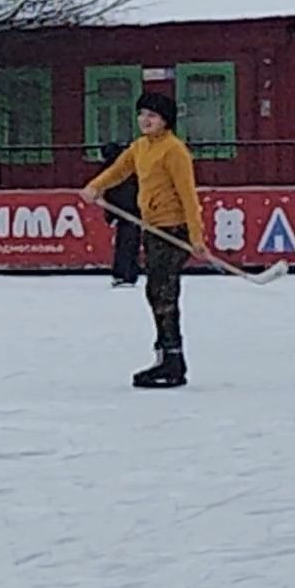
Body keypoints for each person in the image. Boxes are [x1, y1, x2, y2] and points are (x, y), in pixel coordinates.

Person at [80, 93, 206, 389]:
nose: (145, 120)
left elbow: (189, 195)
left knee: (162, 292)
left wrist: (196, 236)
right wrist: (95, 186)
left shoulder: (174, 151)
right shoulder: (140, 148)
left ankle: (173, 361)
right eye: (142, 115)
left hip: (172, 230)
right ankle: (166, 356)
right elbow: (120, 170)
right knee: (155, 292)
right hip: (152, 228)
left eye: (152, 115)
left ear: (165, 120)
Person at [98, 141, 142, 288]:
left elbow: (110, 194)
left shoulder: (112, 169)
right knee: (130, 244)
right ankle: (128, 273)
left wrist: (110, 215)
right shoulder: (129, 167)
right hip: (133, 211)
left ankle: (124, 273)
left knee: (124, 244)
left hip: (125, 211)